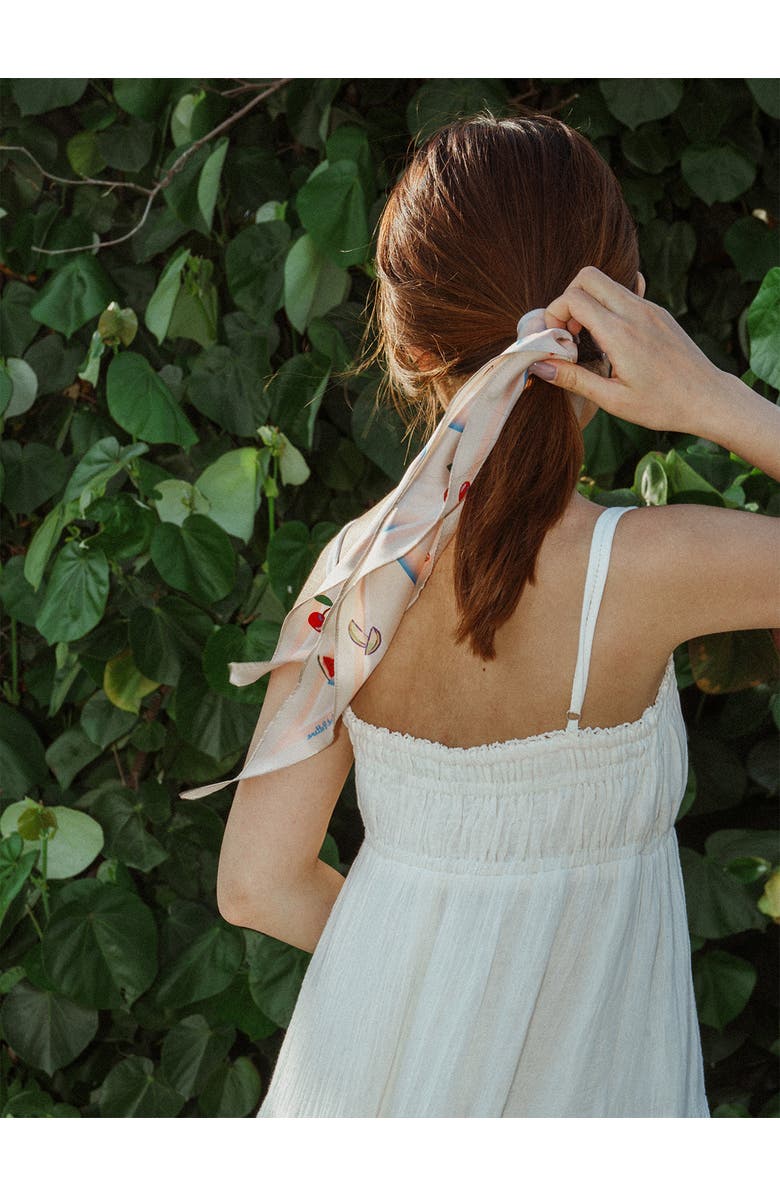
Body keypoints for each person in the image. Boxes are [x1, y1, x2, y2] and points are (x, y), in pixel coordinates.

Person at [213, 114, 780, 1116]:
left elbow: (257, 884)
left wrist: (446, 968)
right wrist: (717, 399)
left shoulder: (353, 574)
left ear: (404, 343)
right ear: (624, 315)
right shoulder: (647, 568)